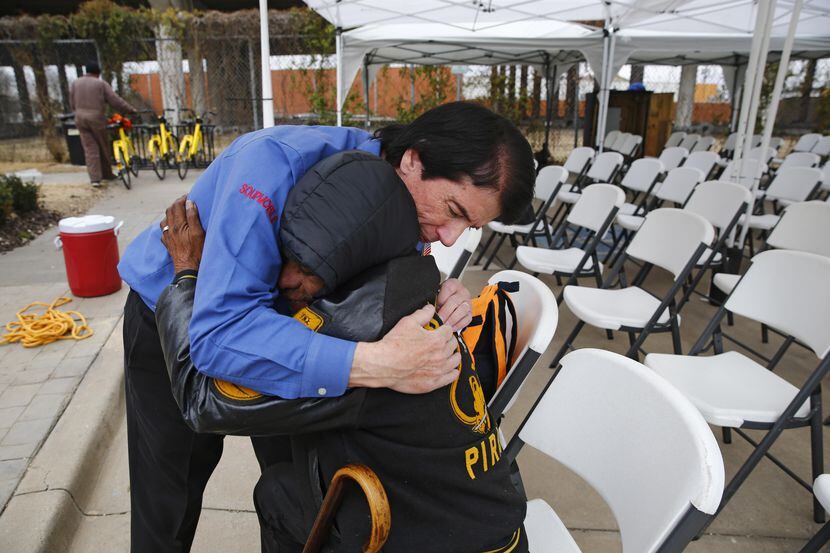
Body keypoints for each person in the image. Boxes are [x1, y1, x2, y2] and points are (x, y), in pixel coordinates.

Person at [117, 101, 534, 553]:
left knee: (295, 476)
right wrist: (375, 364)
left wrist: (436, 289)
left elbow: (383, 277)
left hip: (288, 322)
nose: (450, 236)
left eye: (468, 226)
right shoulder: (270, 165)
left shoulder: (409, 200)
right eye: (452, 210)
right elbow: (220, 337)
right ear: (413, 159)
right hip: (182, 303)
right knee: (170, 490)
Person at [69, 62, 137, 187]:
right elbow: (115, 100)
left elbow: (72, 102)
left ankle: (95, 179)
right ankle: (107, 174)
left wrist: (77, 112)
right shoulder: (100, 84)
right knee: (102, 146)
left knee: (90, 149)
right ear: (98, 73)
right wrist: (130, 110)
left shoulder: (76, 83)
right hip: (96, 118)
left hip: (79, 118)